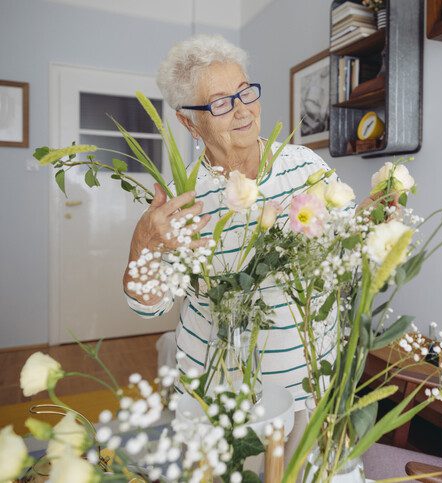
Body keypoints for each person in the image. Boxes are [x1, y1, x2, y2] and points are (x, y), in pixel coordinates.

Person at [122, 34, 366, 457]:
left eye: (245, 91)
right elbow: (149, 306)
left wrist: (373, 224)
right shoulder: (182, 196)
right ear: (188, 121)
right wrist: (143, 244)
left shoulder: (305, 166)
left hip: (309, 380)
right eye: (220, 102)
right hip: (220, 393)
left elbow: (348, 253)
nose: (243, 110)